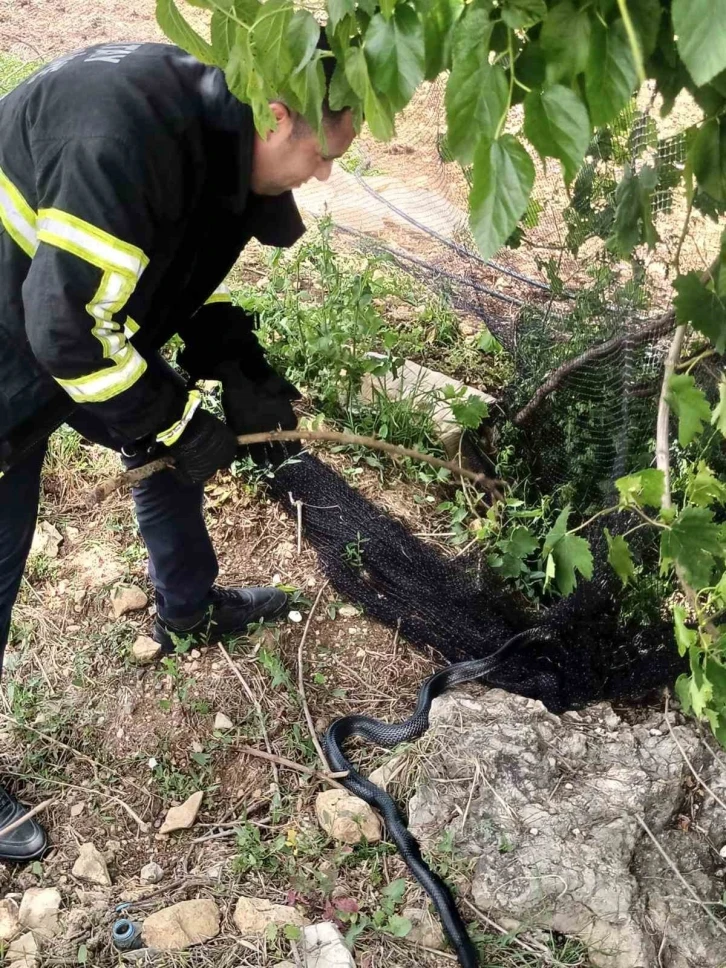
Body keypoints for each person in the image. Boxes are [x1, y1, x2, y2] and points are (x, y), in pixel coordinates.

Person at [0, 38, 356, 861]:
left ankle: (187, 607)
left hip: (58, 313)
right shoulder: (123, 141)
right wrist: (171, 416)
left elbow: (166, 247)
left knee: (163, 435)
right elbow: (62, 332)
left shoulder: (212, 120)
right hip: (19, 338)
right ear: (276, 115)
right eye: (322, 153)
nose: (326, 175)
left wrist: (221, 346)